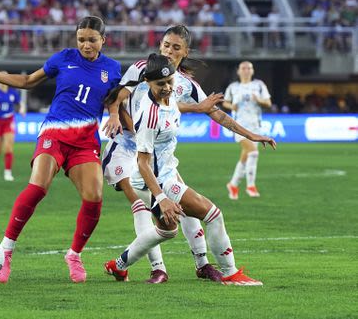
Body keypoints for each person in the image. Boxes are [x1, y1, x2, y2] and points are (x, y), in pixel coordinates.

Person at [0, 16, 121, 284]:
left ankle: (74, 255)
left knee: (94, 197)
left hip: (85, 141)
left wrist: (115, 113)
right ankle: (6, 250)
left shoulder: (113, 68)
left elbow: (115, 96)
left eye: (92, 40)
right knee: (38, 187)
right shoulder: (63, 58)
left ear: (103, 40)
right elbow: (28, 81)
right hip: (54, 134)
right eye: (81, 39)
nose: (86, 44)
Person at [104, 53, 276, 285]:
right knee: (213, 214)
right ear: (147, 83)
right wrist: (162, 197)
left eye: (169, 82)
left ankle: (119, 265)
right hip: (154, 180)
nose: (166, 88)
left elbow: (176, 106)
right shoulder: (149, 117)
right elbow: (143, 163)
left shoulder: (167, 99)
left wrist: (203, 110)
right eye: (160, 84)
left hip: (161, 174)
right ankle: (231, 273)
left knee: (168, 231)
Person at [101, 25, 225, 284]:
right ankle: (157, 268)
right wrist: (115, 115)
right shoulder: (141, 68)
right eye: (166, 45)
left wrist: (250, 134)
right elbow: (118, 97)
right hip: (128, 147)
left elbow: (201, 109)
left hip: (158, 157)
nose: (169, 50)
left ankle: (201, 264)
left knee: (183, 207)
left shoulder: (182, 84)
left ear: (185, 52)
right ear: (160, 45)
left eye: (176, 47)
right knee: (142, 208)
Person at [223, 61, 272, 200]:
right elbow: (225, 102)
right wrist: (232, 106)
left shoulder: (259, 85)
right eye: (243, 68)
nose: (246, 70)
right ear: (238, 71)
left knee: (246, 156)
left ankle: (233, 184)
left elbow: (268, 103)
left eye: (249, 68)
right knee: (253, 153)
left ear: (252, 71)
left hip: (255, 125)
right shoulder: (233, 87)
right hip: (239, 126)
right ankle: (251, 186)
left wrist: (259, 100)